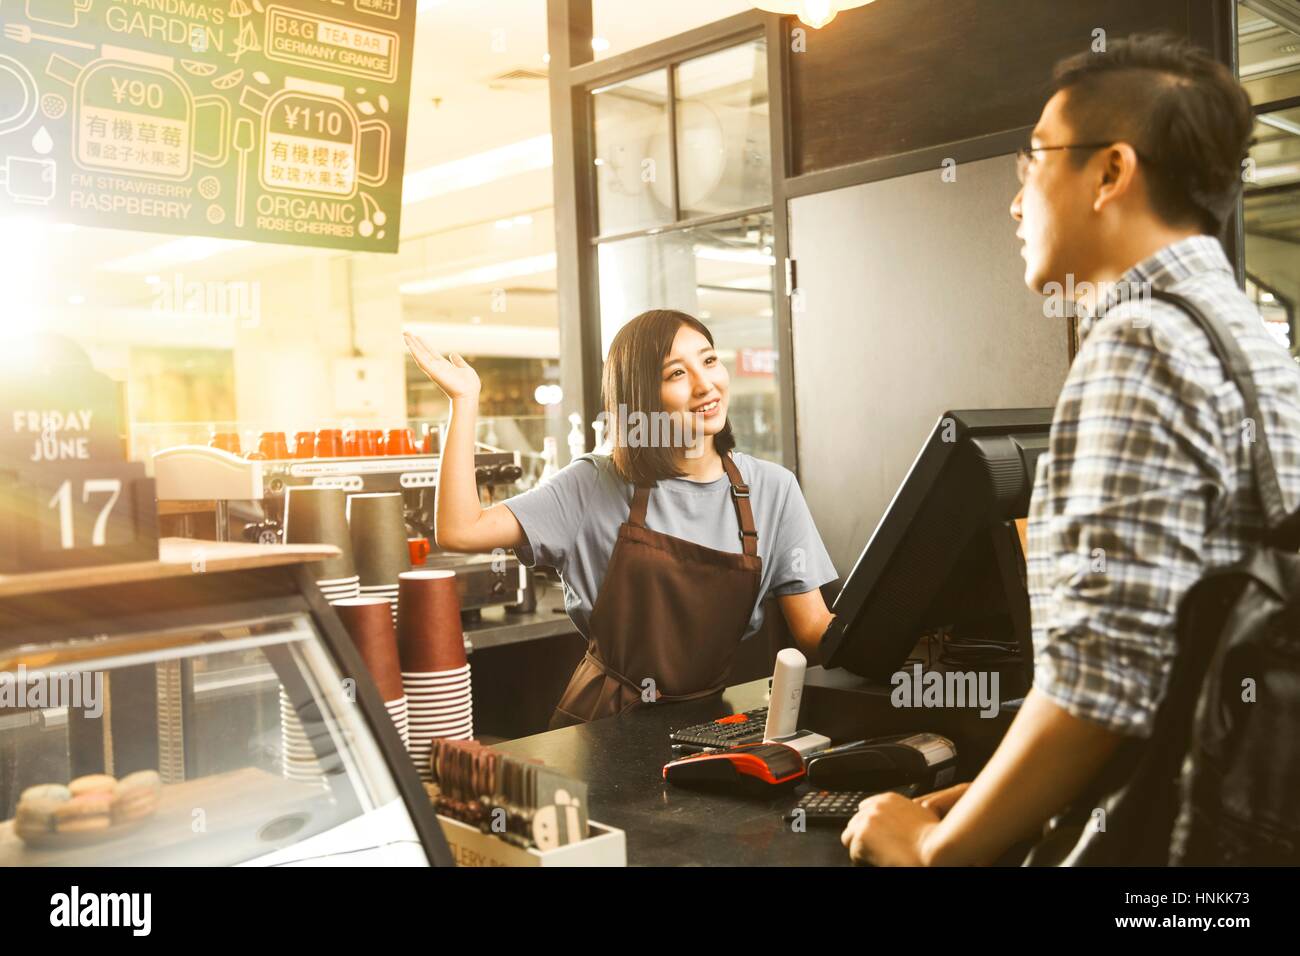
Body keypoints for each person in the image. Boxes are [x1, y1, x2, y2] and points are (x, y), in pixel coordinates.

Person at [841, 33, 1300, 865]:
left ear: (1111, 172)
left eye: (1034, 163)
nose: (1017, 202)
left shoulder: (1141, 344)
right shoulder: (1252, 345)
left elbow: (1105, 687)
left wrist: (939, 849)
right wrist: (998, 796)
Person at [405, 309, 839, 729]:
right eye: (677, 373)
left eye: (709, 360)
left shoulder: (773, 490)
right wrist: (464, 403)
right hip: (603, 732)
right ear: (642, 397)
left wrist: (895, 637)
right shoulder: (594, 484)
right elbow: (460, 530)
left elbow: (814, 631)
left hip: (709, 726)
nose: (706, 385)